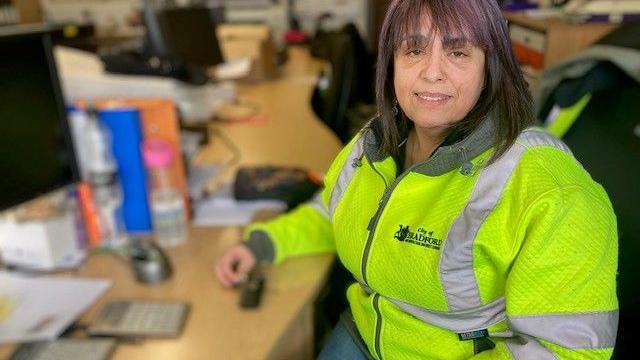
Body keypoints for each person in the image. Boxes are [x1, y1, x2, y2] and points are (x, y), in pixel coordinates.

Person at [215, 0, 619, 358]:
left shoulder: (551, 191)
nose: (431, 73)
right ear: (392, 63)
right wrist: (265, 243)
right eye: (414, 49)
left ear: (490, 66)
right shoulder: (374, 143)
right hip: (365, 333)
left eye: (458, 52)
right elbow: (339, 209)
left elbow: (566, 352)